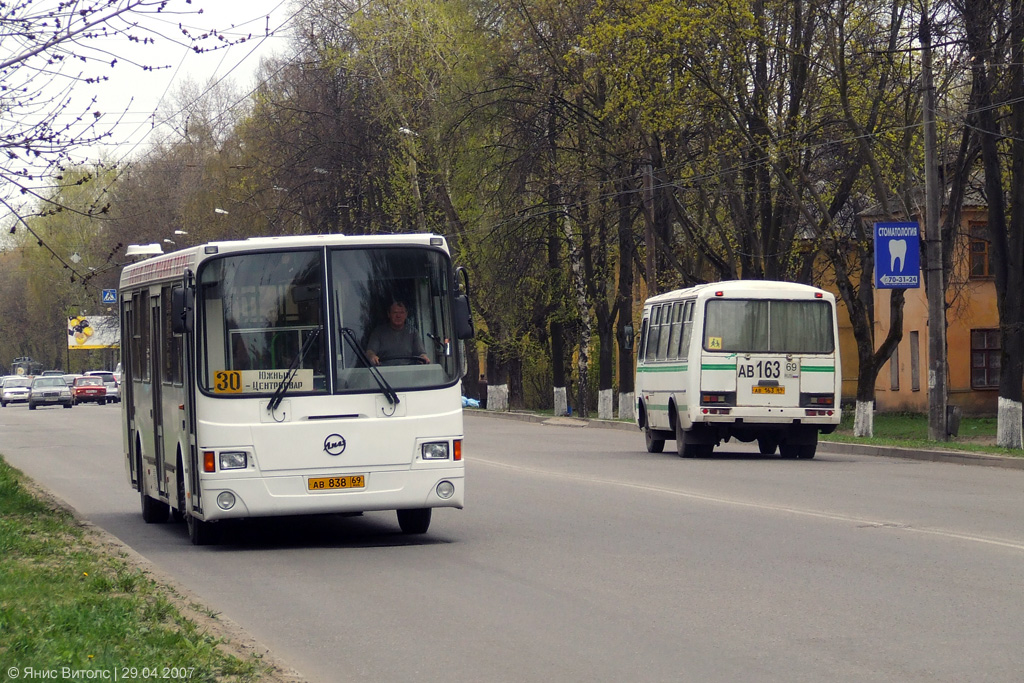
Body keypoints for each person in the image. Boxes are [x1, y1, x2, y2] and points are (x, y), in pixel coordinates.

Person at [365, 301, 429, 365]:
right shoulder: (378, 332)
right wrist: (372, 357)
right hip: (383, 372)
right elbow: (370, 352)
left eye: (401, 312)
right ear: (389, 314)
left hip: (408, 372)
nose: (398, 316)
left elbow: (421, 353)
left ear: (406, 314)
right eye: (395, 312)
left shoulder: (413, 332)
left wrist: (424, 357)